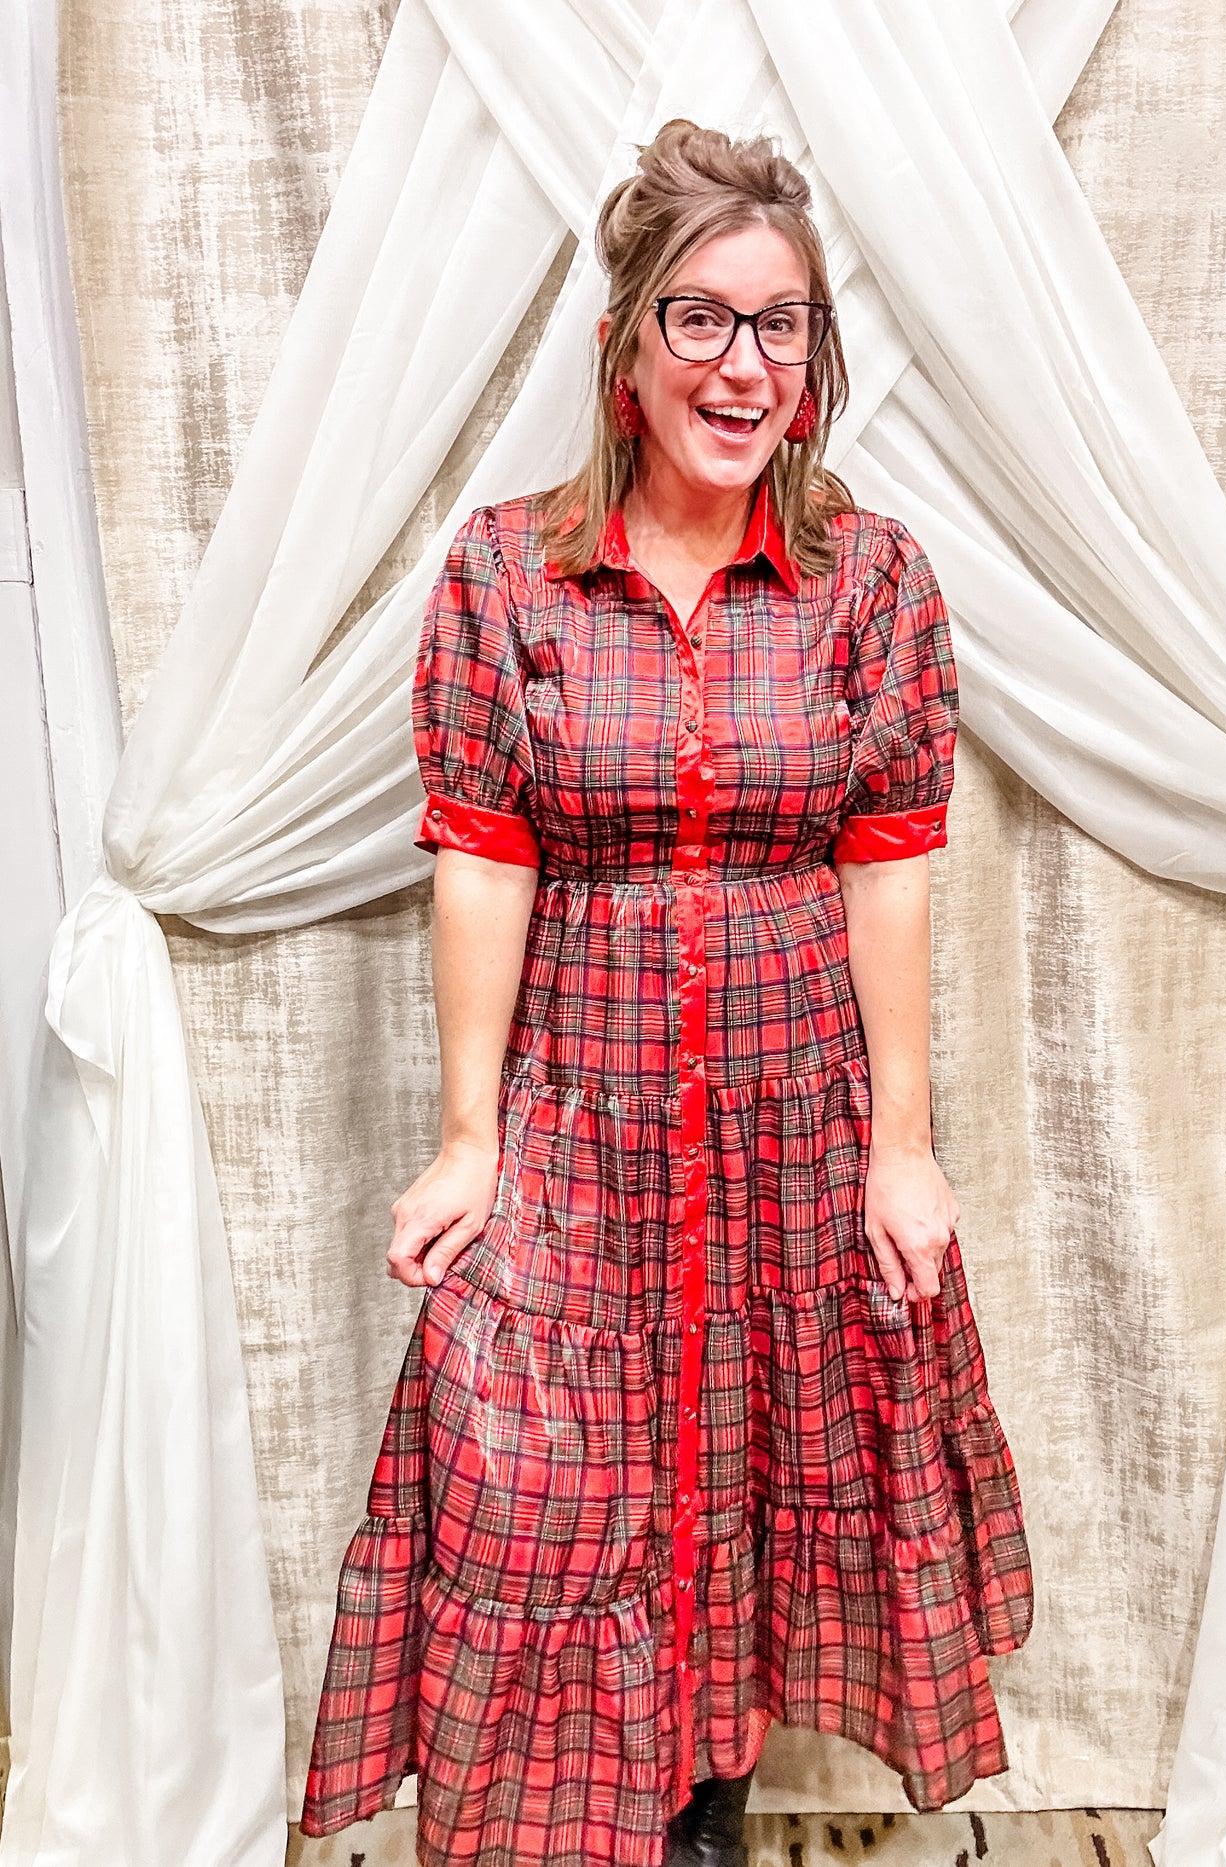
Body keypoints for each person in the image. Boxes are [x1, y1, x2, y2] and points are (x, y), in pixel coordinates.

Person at [300, 118, 1033, 1867]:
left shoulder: (873, 584)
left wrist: (902, 1146)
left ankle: (702, 1816)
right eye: (700, 318)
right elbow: (484, 855)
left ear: (815, 356)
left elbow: (888, 867)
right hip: (585, 1117)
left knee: (756, 1483)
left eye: (781, 325)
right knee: (551, 1491)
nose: (743, 364)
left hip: (796, 1124)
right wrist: (471, 1139)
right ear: (627, 348)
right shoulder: (508, 575)